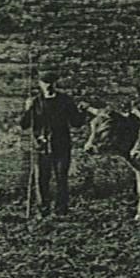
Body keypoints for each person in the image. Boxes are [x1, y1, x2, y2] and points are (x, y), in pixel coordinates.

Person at [20, 69, 82, 216]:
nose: (48, 86)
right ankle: (43, 211)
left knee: (61, 179)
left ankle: (61, 211)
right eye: (44, 82)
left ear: (56, 83)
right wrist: (27, 109)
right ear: (40, 84)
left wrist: (81, 112)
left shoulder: (65, 101)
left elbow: (76, 123)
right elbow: (24, 125)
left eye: (51, 82)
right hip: (41, 146)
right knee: (41, 179)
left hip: (61, 145)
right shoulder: (35, 102)